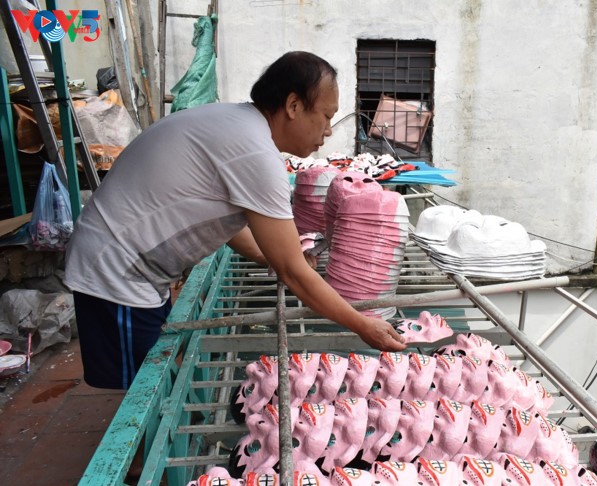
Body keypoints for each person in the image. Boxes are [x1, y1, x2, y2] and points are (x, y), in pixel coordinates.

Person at [64, 51, 406, 390]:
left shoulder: (237, 124)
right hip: (116, 269)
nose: (329, 130)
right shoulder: (255, 151)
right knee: (141, 392)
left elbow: (229, 219)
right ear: (294, 106)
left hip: (130, 261)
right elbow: (293, 273)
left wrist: (266, 254)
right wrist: (362, 324)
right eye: (326, 116)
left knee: (155, 374)